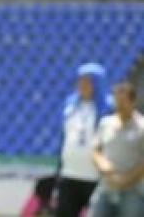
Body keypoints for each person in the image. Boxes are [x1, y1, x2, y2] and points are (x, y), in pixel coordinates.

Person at [55, 63, 113, 217]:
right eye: (80, 80)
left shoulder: (108, 107)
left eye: (88, 81)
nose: (82, 84)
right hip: (69, 174)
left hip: (96, 177)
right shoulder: (70, 105)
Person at [89, 82, 144, 217]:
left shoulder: (142, 126)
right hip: (106, 187)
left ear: (133, 102)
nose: (119, 105)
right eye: (116, 100)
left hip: (133, 191)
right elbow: (95, 150)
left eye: (123, 101)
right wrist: (103, 165)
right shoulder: (106, 123)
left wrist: (125, 179)